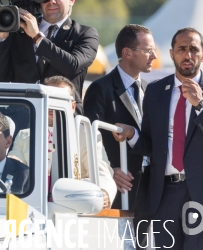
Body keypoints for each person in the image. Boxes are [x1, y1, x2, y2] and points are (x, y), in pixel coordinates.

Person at [113, 27, 203, 248]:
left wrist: (201, 105)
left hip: (202, 195)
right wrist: (132, 135)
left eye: (193, 49)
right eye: (181, 49)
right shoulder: (156, 91)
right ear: (171, 53)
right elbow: (150, 144)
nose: (187, 55)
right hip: (164, 194)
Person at [0, 0, 98, 114]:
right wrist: (3, 38)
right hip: (23, 118)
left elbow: (72, 66)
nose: (51, 1)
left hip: (63, 119)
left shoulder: (85, 34)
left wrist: (37, 37)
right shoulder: (19, 32)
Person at [83, 24, 154, 245]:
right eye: (148, 50)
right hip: (119, 188)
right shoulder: (100, 89)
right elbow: (90, 139)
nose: (154, 56)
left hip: (149, 187)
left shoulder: (148, 89)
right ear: (127, 53)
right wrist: (109, 171)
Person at [9, 76, 116, 208]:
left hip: (73, 204)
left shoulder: (86, 133)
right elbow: (13, 168)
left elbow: (102, 173)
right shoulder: (25, 134)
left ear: (72, 106)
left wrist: (104, 192)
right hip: (32, 203)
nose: (52, 106)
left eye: (58, 100)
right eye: (49, 99)